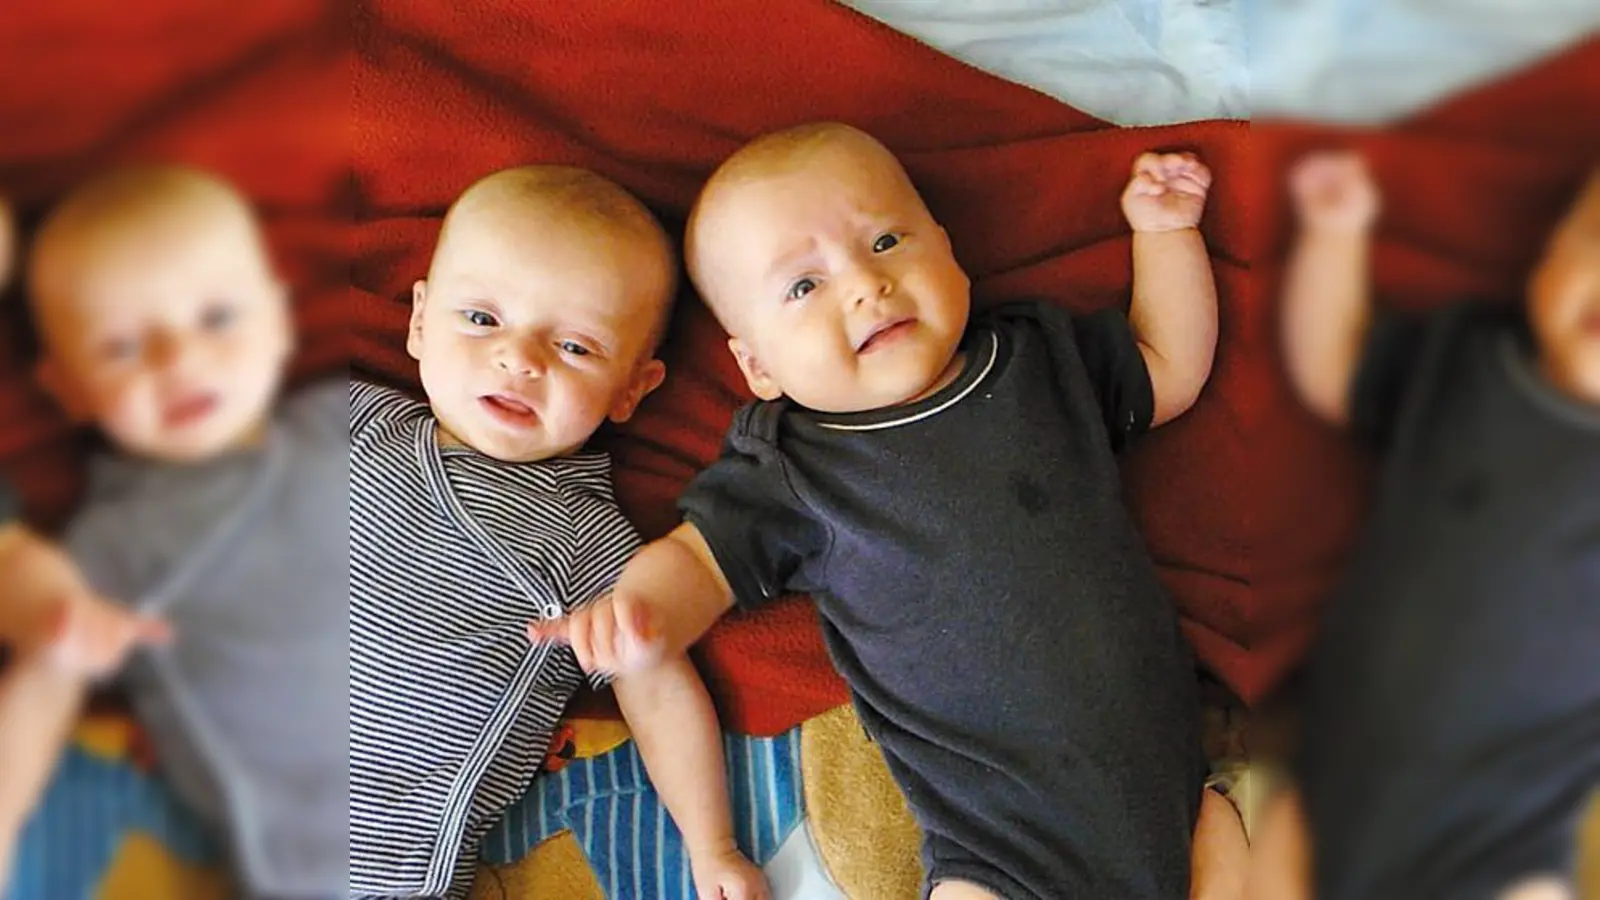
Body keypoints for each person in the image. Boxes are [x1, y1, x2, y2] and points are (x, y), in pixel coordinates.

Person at [533, 122, 1248, 899]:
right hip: (1003, 851)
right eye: (804, 286)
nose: (864, 285)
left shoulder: (1036, 363)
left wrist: (1166, 233)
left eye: (884, 242)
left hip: (1176, 806)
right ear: (758, 365)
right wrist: (644, 610)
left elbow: (1167, 368)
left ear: (947, 251)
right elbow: (700, 560)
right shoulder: (794, 468)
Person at [348, 166, 767, 900]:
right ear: (418, 322)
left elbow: (658, 688)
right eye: (482, 318)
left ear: (632, 389)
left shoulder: (587, 542)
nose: (520, 359)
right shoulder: (354, 424)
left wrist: (713, 844)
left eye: (574, 347)